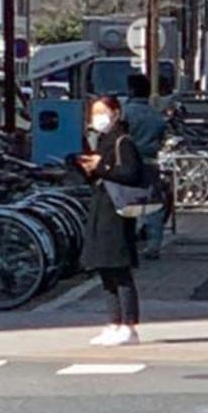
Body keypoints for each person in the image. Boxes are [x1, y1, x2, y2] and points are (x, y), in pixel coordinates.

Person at [78, 92, 146, 345]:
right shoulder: (103, 140)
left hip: (117, 212)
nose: (98, 118)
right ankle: (113, 322)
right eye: (94, 113)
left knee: (119, 268)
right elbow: (100, 175)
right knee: (105, 269)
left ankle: (129, 324)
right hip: (102, 207)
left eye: (102, 112)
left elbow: (131, 173)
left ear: (116, 113)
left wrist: (102, 167)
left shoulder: (123, 141)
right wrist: (86, 168)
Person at [122, 70, 168, 260]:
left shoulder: (125, 113)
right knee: (153, 206)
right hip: (150, 162)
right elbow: (162, 138)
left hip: (127, 163)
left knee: (124, 204)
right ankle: (153, 245)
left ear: (131, 91)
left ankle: (126, 244)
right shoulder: (156, 115)